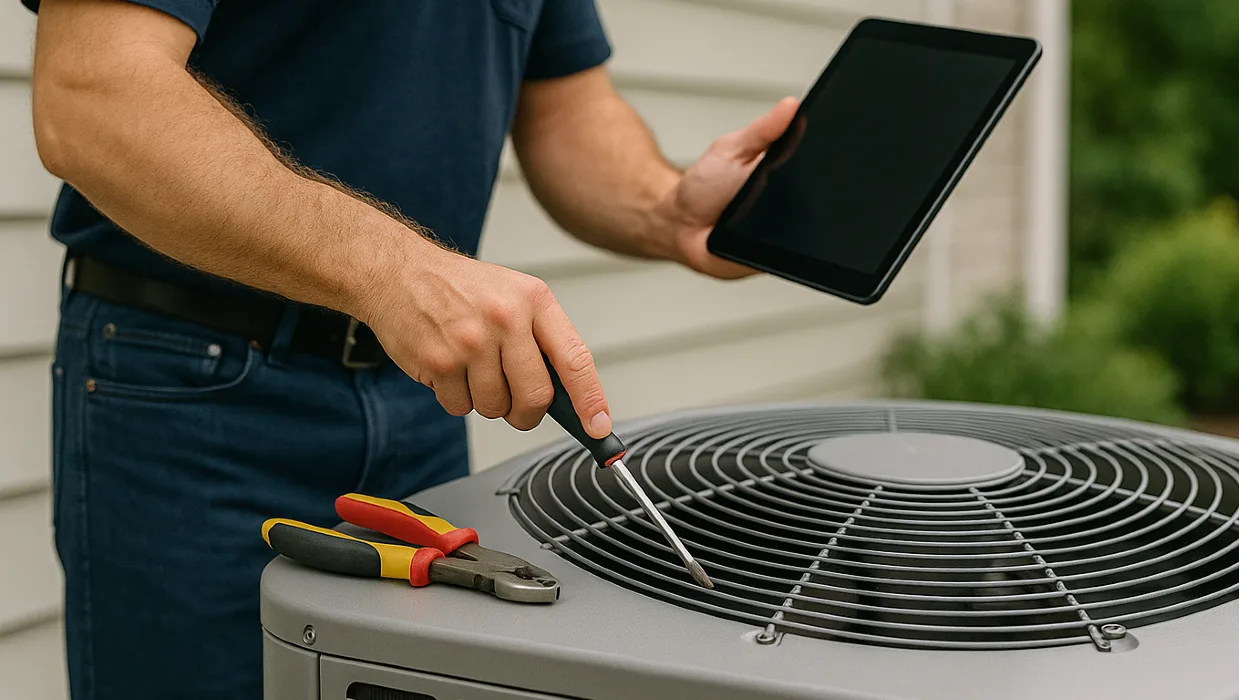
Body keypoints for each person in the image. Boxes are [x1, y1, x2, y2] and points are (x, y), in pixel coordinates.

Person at [24, 0, 798, 697]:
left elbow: (567, 111)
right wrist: (393, 271)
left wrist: (665, 210)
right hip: (191, 387)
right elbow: (96, 97)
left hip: (419, 393)